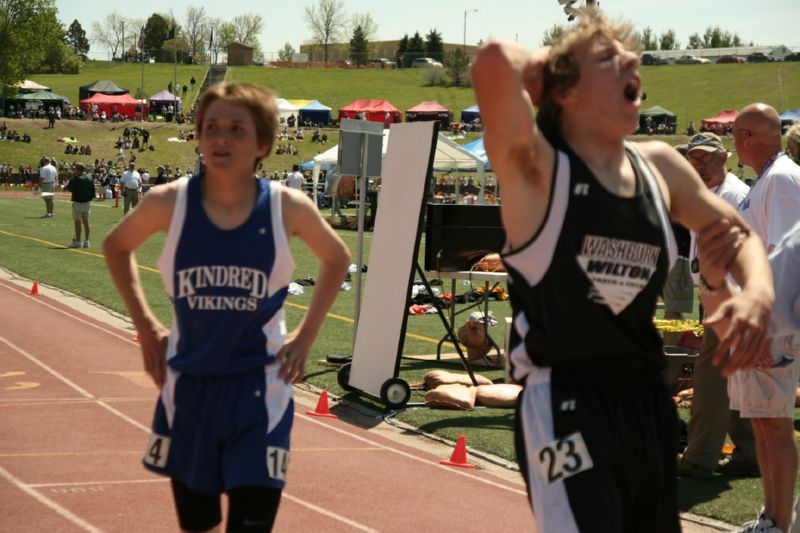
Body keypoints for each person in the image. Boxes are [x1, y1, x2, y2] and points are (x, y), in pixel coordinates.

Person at [471, 8, 774, 532]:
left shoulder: (659, 166)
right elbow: (494, 62)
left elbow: (738, 235)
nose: (633, 59)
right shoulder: (537, 169)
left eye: (629, 55)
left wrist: (757, 298)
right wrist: (567, 58)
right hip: (566, 404)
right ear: (563, 89)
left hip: (646, 406)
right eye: (612, 60)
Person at [103, 82, 350, 533]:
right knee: (198, 527)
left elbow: (337, 258)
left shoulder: (286, 208)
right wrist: (147, 327)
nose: (221, 138)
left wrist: (307, 334)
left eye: (237, 129)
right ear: (197, 137)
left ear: (262, 144)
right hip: (189, 391)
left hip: (260, 393)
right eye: (211, 127)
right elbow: (116, 246)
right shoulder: (169, 202)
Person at [725, 102, 800, 533]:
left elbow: (786, 257)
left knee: (774, 424)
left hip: (769, 324)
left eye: (738, 132)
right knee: (763, 422)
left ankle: (779, 522)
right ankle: (772, 519)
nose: (735, 140)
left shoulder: (784, 178)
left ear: (749, 136)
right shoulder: (771, 177)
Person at [677, 132, 757, 480]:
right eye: (694, 158)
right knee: (735, 379)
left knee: (710, 379)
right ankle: (749, 455)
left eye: (707, 157)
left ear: (725, 157)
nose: (700, 164)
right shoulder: (710, 193)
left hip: (730, 298)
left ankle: (698, 458)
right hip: (722, 296)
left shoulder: (733, 195)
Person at [64, 163, 95, 248]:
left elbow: (69, 188)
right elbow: (93, 191)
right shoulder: (89, 177)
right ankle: (87, 241)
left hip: (78, 202)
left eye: (75, 169)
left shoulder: (77, 179)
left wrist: (71, 179)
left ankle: (78, 241)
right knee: (86, 221)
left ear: (78, 170)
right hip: (87, 202)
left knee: (77, 222)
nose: (74, 171)